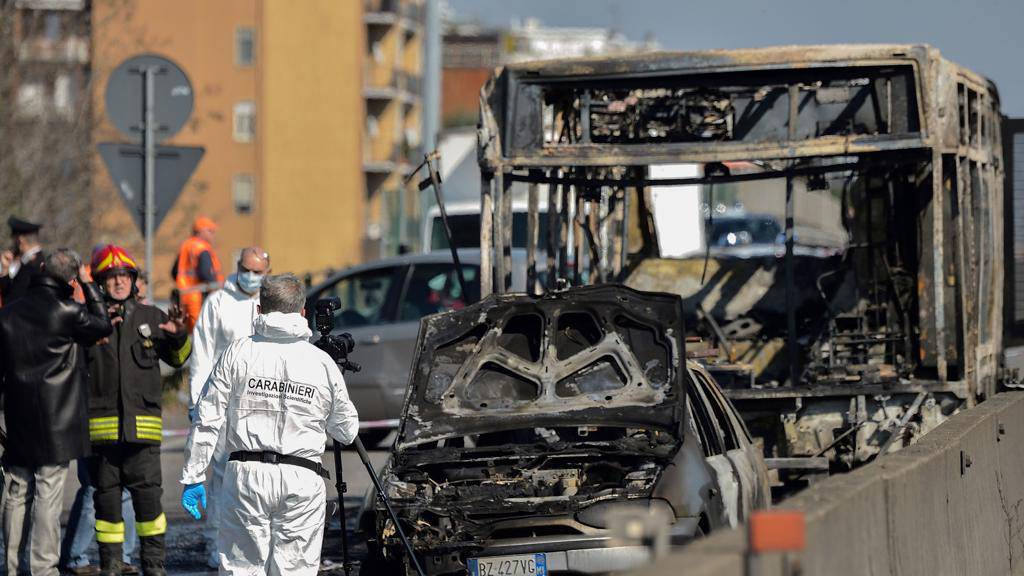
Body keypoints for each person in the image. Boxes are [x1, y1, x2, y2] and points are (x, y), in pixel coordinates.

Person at [180, 274, 359, 575]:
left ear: (259, 310)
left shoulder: (238, 353)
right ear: (302, 313)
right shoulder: (320, 363)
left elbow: (206, 417)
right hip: (301, 478)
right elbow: (347, 430)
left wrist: (194, 475)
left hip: (246, 477)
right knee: (296, 569)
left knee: (242, 568)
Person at [0, 249, 112, 576]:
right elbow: (102, 325)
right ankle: (43, 567)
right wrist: (90, 286)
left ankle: (12, 565)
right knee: (48, 495)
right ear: (72, 278)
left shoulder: (8, 314)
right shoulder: (68, 312)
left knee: (17, 492)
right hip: (57, 420)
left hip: (18, 416)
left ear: (44, 268)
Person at [86, 245, 192, 576]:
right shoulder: (89, 321)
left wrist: (178, 337)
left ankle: (154, 565)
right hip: (103, 437)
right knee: (106, 506)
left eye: (124, 276)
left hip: (142, 433)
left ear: (134, 281)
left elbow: (178, 360)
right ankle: (111, 565)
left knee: (149, 505)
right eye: (112, 277)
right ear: (101, 283)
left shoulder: (152, 317)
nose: (119, 282)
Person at [187, 246, 270, 568]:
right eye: (246, 269)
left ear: (267, 272)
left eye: (258, 271)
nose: (251, 276)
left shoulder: (269, 303)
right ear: (238, 267)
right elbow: (203, 355)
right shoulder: (218, 303)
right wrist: (197, 402)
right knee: (221, 476)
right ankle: (215, 544)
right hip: (222, 401)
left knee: (257, 476)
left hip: (260, 404)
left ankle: (254, 544)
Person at [173, 216, 224, 331]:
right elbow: (206, 273)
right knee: (201, 332)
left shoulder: (186, 245)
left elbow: (175, 271)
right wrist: (217, 290)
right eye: (210, 231)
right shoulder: (202, 248)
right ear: (200, 231)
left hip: (184, 296)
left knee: (186, 332)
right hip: (199, 298)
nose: (213, 235)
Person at [0, 215, 45, 304]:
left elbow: (12, 301)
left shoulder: (32, 265)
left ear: (21, 240)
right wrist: (5, 270)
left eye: (14, 239)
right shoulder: (34, 261)